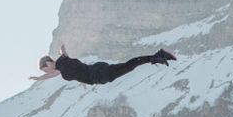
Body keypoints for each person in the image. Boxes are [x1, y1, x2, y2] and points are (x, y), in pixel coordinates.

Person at [31, 42, 175, 86]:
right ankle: (156, 57)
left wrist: (39, 79)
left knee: (128, 66)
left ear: (49, 63)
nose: (47, 72)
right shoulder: (63, 60)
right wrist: (62, 50)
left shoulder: (61, 68)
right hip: (97, 71)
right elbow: (64, 54)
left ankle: (157, 56)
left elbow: (54, 73)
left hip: (98, 74)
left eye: (45, 70)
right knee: (128, 66)